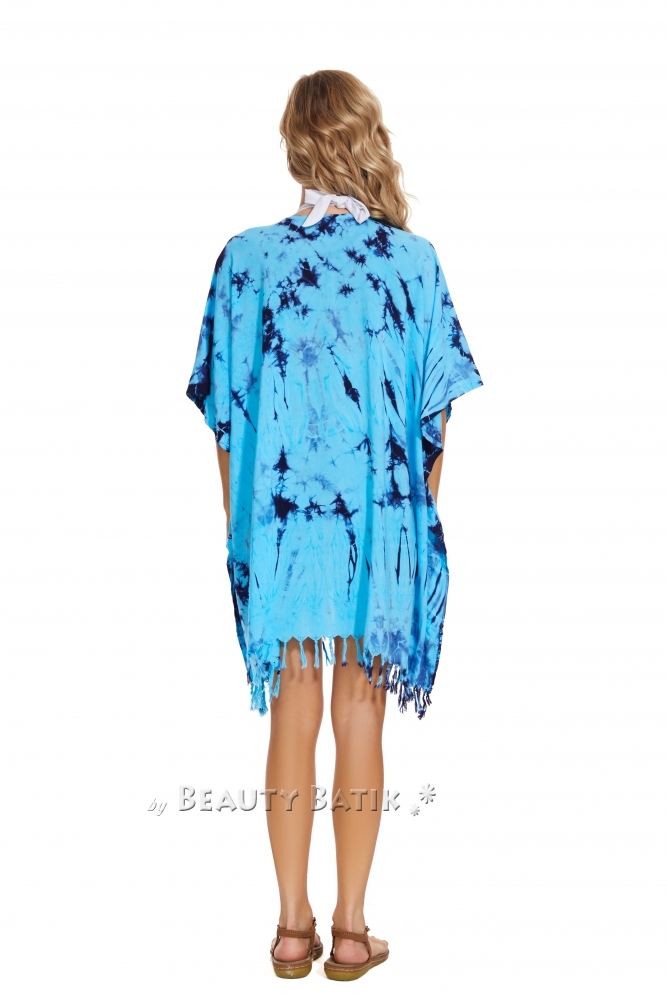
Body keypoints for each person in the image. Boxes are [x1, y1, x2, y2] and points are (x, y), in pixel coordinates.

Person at [186, 69, 483, 981]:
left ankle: (290, 929)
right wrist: (410, 531)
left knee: (289, 714)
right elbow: (434, 420)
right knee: (361, 717)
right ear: (365, 137)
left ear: (293, 144)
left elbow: (224, 413)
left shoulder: (245, 260)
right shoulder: (411, 264)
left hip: (278, 530)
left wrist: (239, 528)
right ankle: (351, 930)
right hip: (375, 528)